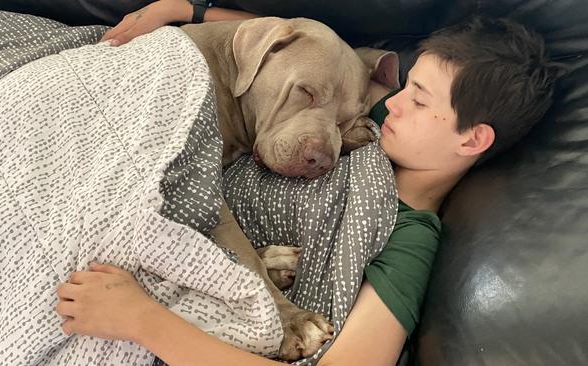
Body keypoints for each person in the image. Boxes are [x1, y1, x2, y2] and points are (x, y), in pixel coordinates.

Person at [55, 2, 558, 365]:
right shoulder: (386, 121)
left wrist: (140, 320)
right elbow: (303, 49)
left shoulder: (407, 239)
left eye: (419, 99)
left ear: (472, 140)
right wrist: (184, 7)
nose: (393, 100)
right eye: (404, 85)